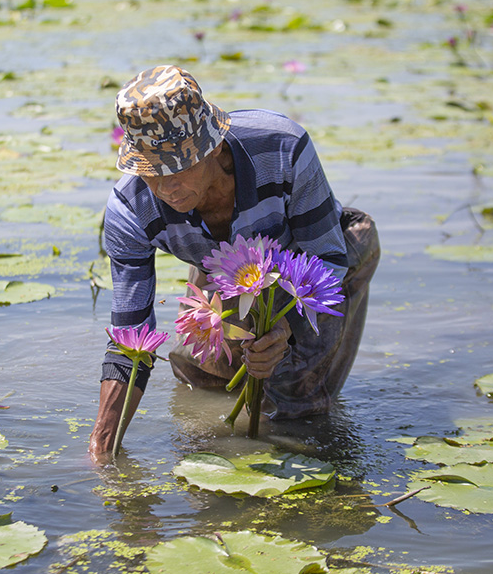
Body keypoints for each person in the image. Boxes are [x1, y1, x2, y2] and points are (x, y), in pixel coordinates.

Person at [89, 65, 379, 461]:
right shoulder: (129, 209)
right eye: (151, 171)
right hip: (227, 267)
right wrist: (104, 446)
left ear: (213, 145)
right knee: (201, 371)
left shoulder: (283, 148)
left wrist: (283, 331)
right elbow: (129, 344)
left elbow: (327, 257)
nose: (167, 187)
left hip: (310, 266)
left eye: (178, 166)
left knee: (293, 393)